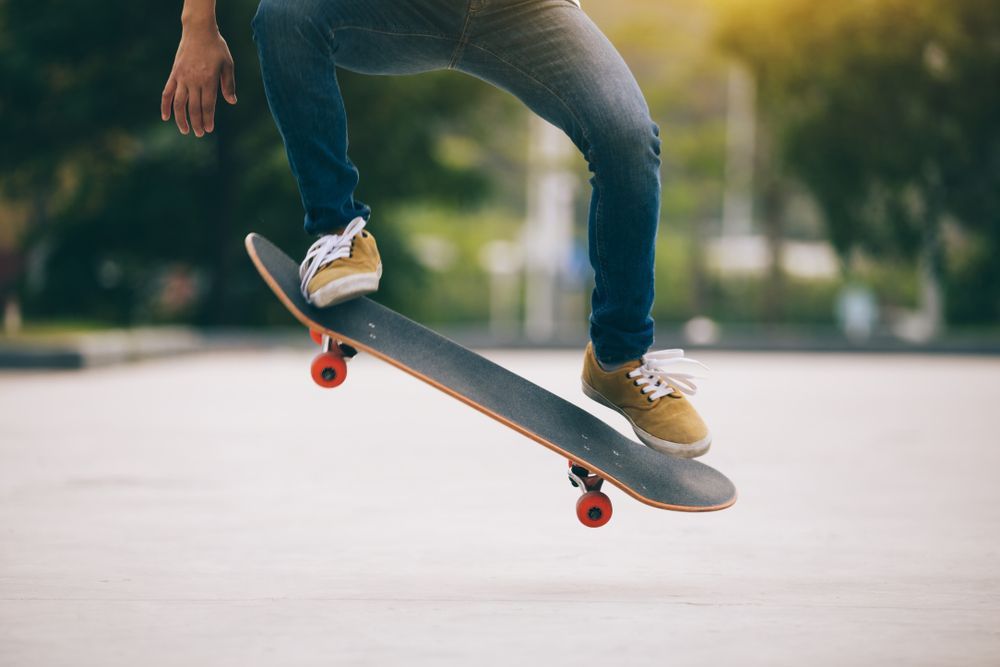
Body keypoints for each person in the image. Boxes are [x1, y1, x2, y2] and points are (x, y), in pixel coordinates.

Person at [161, 0, 714, 458]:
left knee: (628, 139)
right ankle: (339, 235)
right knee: (286, 14)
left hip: (527, 13)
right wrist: (198, 22)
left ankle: (619, 358)